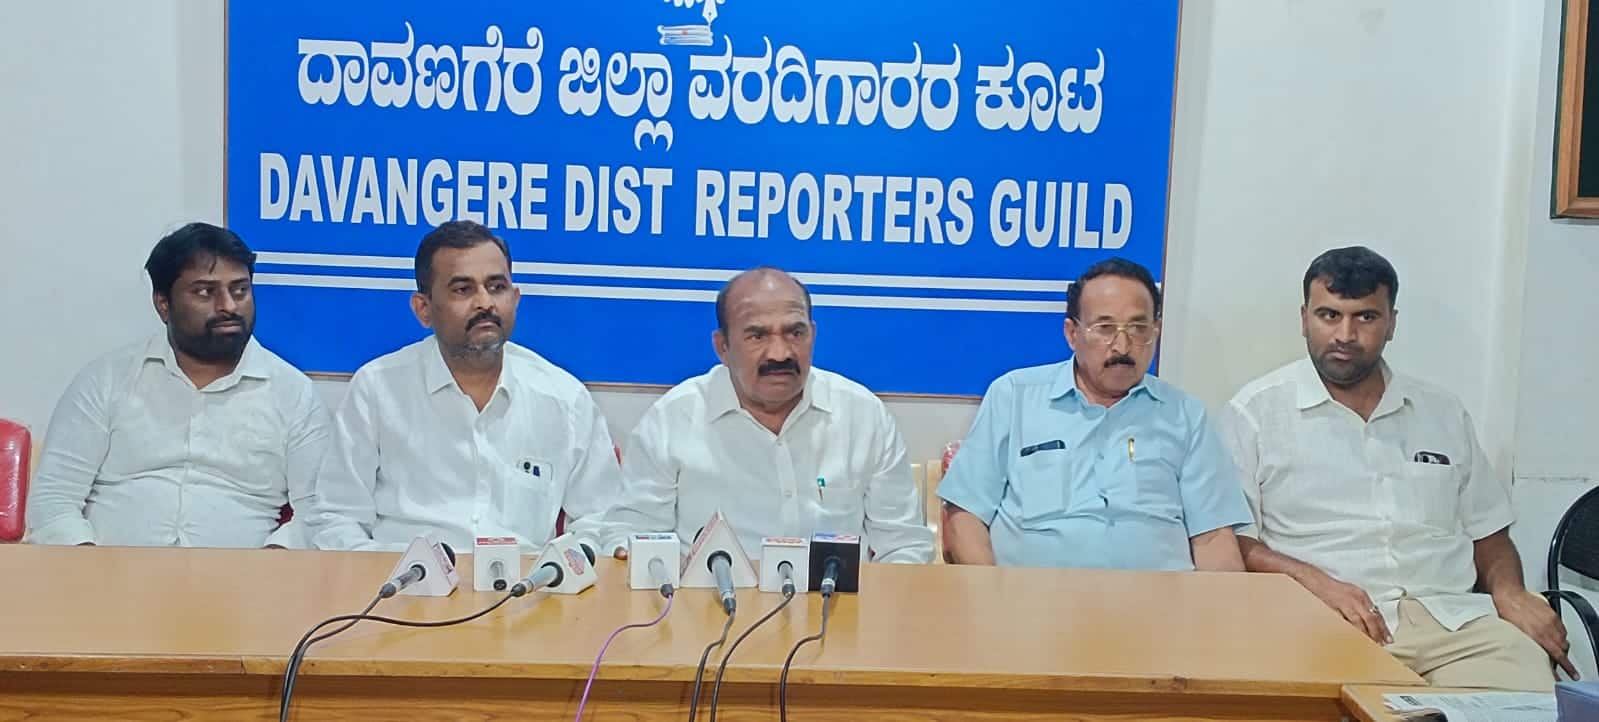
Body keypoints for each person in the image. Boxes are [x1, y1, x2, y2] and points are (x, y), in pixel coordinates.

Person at [1219, 246, 1566, 691]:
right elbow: (1236, 542)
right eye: (1329, 315)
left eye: (1365, 317)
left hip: (1456, 624)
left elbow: (1489, 533)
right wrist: (1316, 583)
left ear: (1392, 323)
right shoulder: (1256, 413)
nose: (1345, 334)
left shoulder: (1441, 411)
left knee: (1527, 698)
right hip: (1328, 621)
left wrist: (1511, 592)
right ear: (1304, 319)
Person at [310, 221, 621, 552]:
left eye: (497, 287)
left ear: (515, 298)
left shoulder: (564, 398)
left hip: (523, 582)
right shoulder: (377, 389)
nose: (485, 303)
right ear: (423, 309)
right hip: (401, 578)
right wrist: (389, 573)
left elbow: (601, 522)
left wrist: (561, 569)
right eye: (463, 289)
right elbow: (337, 518)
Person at [26, 222, 328, 548]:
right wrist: (86, 565)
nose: (228, 306)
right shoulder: (106, 380)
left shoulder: (293, 393)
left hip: (243, 576)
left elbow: (319, 512)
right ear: (163, 304)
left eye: (240, 290)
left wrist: (272, 564)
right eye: (205, 292)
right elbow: (54, 498)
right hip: (108, 572)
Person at [601, 267, 933, 563]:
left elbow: (904, 546)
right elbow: (629, 534)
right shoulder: (672, 420)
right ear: (722, 347)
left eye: (795, 333)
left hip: (836, 608)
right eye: (757, 336)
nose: (780, 353)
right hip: (707, 607)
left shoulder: (862, 416)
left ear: (813, 335)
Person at [939, 258, 1250, 571]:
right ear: (1072, 333)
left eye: (1138, 328)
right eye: (1105, 328)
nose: (1122, 346)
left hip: (1159, 596)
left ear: (1155, 331)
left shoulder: (1185, 415)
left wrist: (1220, 603)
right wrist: (991, 593)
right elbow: (965, 514)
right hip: (1033, 595)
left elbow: (1214, 537)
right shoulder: (1014, 397)